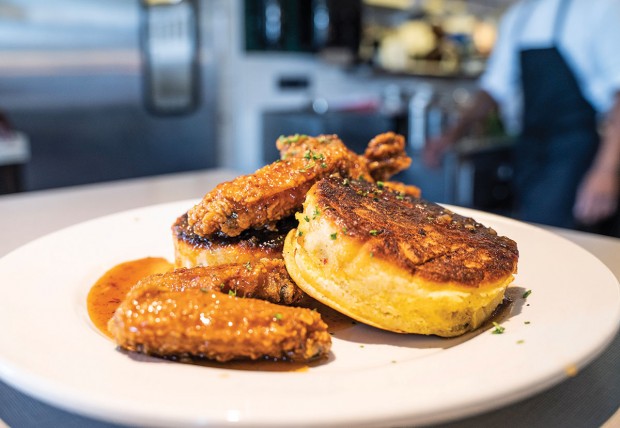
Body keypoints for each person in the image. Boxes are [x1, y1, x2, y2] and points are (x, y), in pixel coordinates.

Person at [423, 0, 620, 236]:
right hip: (530, 146)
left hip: (577, 150)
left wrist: (606, 170)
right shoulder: (519, 15)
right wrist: (451, 135)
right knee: (532, 231)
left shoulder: (600, 7)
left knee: (563, 239)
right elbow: (494, 86)